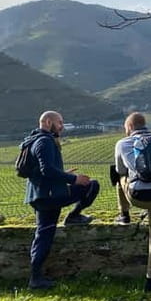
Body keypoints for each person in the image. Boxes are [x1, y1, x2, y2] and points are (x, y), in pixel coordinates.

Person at [23, 110, 100, 290]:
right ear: (48, 122)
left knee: (44, 233)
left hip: (40, 195)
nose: (62, 127)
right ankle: (74, 216)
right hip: (50, 196)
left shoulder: (33, 139)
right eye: (60, 123)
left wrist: (65, 176)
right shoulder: (45, 141)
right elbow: (47, 170)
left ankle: (35, 277)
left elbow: (43, 171)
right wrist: (73, 179)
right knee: (91, 185)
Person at [113, 112, 151, 292]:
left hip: (138, 196)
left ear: (130, 127)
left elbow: (120, 169)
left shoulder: (123, 143)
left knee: (119, 177)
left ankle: (124, 214)